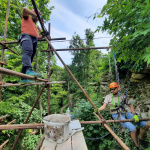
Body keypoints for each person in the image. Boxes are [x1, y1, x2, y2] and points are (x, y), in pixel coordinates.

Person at [97, 82, 150, 150]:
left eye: (113, 89)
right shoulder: (108, 97)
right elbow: (103, 106)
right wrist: (98, 109)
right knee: (133, 129)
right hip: (116, 115)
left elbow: (130, 106)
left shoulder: (122, 96)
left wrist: (135, 115)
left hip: (124, 113)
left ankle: (141, 139)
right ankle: (137, 146)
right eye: (111, 89)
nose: (112, 91)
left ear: (118, 88)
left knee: (146, 125)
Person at [20, 7, 43, 83]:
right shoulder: (27, 18)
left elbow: (37, 37)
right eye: (36, 17)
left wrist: (43, 36)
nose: (36, 19)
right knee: (28, 51)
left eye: (37, 18)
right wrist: (35, 14)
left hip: (33, 39)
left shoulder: (35, 27)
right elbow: (24, 9)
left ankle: (23, 78)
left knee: (30, 57)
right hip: (26, 36)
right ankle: (29, 70)